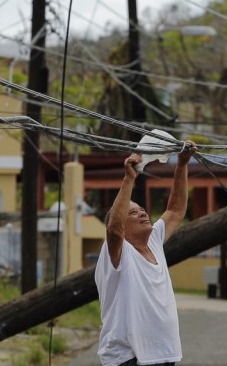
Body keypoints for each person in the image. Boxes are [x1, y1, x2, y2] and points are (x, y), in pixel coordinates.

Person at [94, 140, 198, 366]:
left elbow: (176, 210)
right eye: (133, 213)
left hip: (164, 354)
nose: (142, 213)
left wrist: (181, 165)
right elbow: (114, 230)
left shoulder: (154, 242)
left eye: (142, 209)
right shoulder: (117, 252)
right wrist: (129, 178)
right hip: (129, 358)